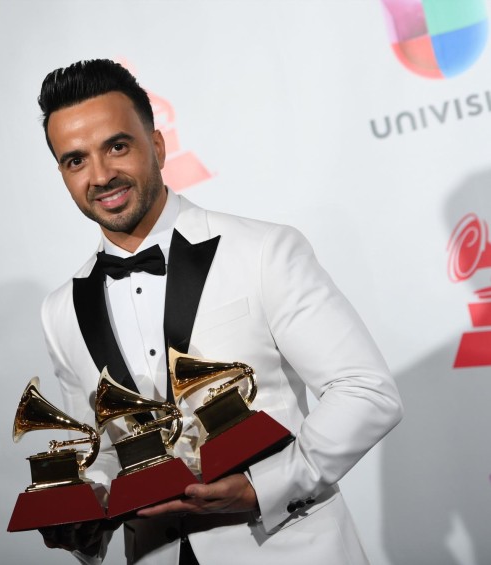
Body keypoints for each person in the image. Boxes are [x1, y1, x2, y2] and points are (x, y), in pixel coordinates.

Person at [36, 59, 403, 564]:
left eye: (117, 146)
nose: (100, 175)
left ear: (158, 146)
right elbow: (100, 451)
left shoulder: (264, 251)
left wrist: (263, 487)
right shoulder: (60, 310)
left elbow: (367, 391)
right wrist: (84, 513)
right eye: (76, 161)